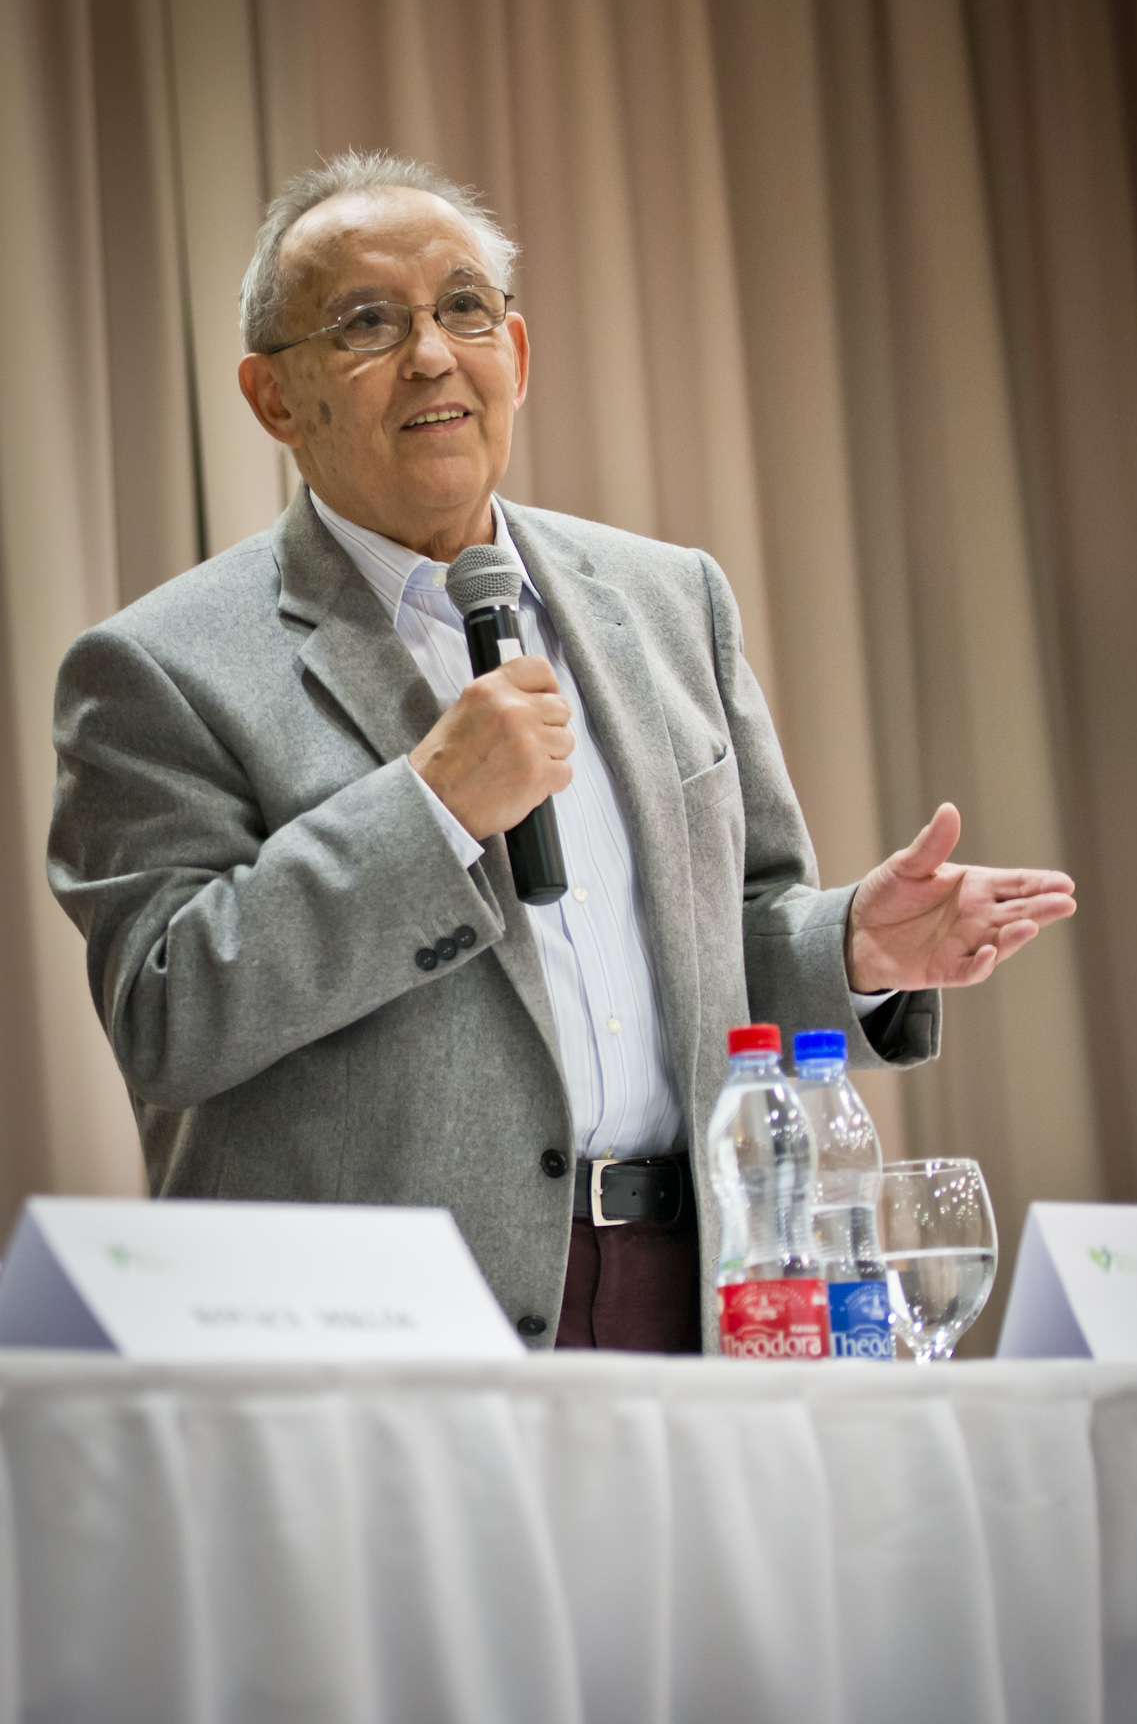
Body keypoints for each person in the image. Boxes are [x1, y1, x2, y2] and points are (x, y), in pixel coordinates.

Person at [47, 151, 1075, 1352]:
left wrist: (850, 949)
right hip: (381, 1335)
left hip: (695, 1297)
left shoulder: (669, 598)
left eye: (463, 308)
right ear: (274, 397)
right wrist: (429, 808)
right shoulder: (157, 667)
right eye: (368, 322)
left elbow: (734, 936)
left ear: (518, 356)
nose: (431, 353)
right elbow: (169, 1014)